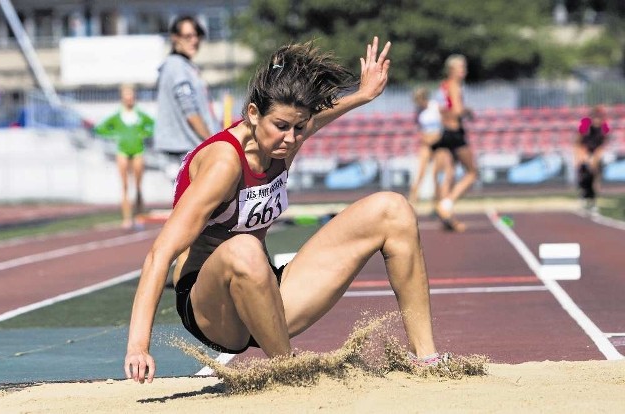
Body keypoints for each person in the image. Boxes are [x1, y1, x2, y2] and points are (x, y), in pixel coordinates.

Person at [124, 37, 440, 384]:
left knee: (393, 209)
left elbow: (317, 118)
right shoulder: (224, 164)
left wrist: (363, 95)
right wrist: (138, 345)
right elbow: (160, 254)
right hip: (212, 308)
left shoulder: (286, 138)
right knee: (243, 247)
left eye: (299, 128)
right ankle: (288, 372)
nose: (291, 139)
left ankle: (425, 359)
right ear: (253, 114)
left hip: (266, 295)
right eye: (281, 127)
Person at [153, 15, 220, 178]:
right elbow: (190, 111)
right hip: (182, 152)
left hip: (189, 149)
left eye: (197, 36)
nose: (194, 41)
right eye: (188, 36)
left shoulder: (185, 66)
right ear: (175, 38)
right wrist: (214, 141)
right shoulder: (176, 67)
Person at [94, 85, 155, 229]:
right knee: (125, 186)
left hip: (138, 151)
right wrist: (114, 136)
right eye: (126, 96)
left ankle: (139, 216)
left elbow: (152, 125)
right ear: (122, 98)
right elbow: (100, 128)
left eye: (131, 96)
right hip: (122, 151)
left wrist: (144, 134)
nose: (129, 99)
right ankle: (127, 218)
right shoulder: (117, 116)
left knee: (138, 186)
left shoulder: (140, 115)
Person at [432, 54, 478, 232]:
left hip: (445, 132)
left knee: (449, 173)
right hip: (455, 132)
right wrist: (468, 111)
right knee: (472, 172)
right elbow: (457, 111)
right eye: (461, 67)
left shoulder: (442, 86)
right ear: (452, 69)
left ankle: (447, 216)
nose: (464, 71)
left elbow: (443, 109)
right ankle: (447, 204)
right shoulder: (453, 84)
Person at [407, 87, 453, 205]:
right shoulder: (419, 111)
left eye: (419, 101)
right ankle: (413, 200)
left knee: (437, 173)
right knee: (420, 172)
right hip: (426, 144)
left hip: (439, 143)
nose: (418, 104)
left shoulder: (435, 106)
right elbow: (420, 129)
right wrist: (425, 139)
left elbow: (445, 123)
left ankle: (437, 201)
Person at [574, 105, 610, 213]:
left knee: (595, 174)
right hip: (584, 151)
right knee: (584, 174)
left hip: (596, 153)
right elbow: (578, 142)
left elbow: (602, 144)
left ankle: (593, 200)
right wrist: (582, 156)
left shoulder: (604, 126)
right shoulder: (585, 123)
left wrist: (595, 158)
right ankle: (584, 196)